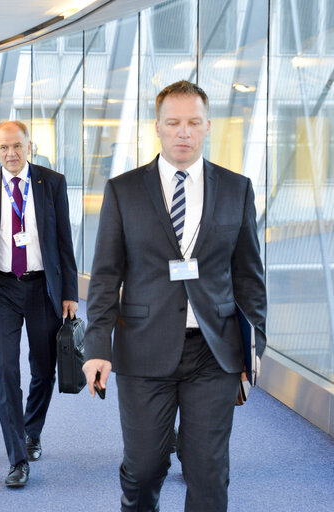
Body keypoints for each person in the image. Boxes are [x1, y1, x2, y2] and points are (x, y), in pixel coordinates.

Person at [82, 80, 267, 511]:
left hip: (214, 352)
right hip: (143, 351)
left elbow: (249, 277)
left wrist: (252, 345)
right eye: (174, 123)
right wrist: (96, 348)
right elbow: (106, 277)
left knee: (208, 472)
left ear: (207, 127)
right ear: (158, 127)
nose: (183, 132)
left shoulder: (236, 189)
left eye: (193, 123)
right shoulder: (123, 190)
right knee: (145, 468)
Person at [0, 120, 78, 488]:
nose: (11, 153)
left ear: (29, 147)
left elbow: (65, 243)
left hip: (43, 289)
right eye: (4, 147)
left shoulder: (51, 183)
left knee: (43, 368)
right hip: (1, 291)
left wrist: (70, 292)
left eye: (17, 146)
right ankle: (17, 458)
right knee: (5, 371)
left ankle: (32, 430)